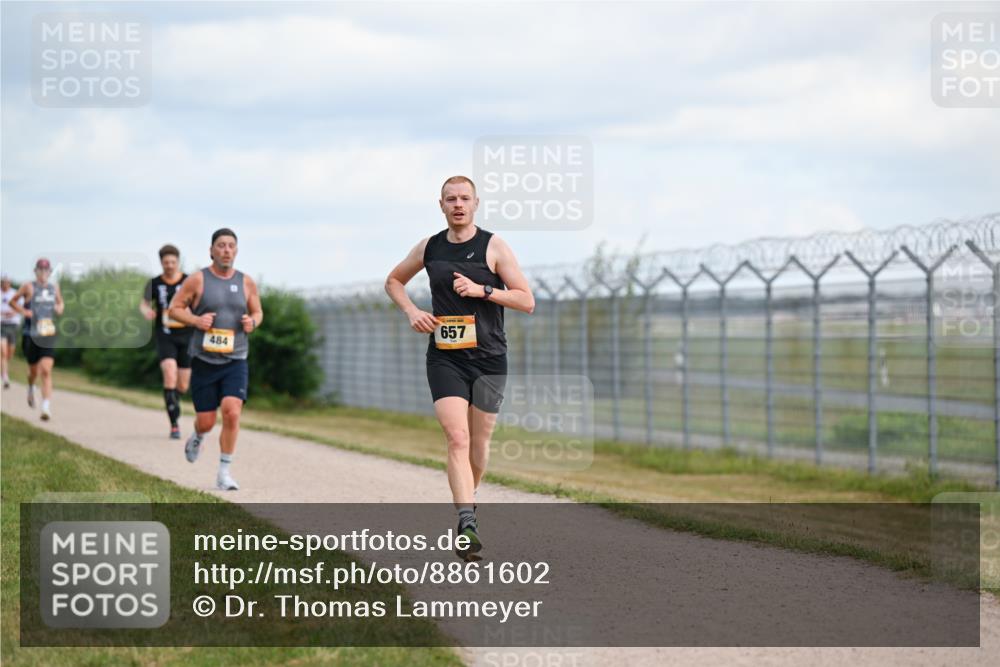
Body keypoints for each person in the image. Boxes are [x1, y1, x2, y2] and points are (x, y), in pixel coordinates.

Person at [385, 175, 534, 560]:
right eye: (450, 199)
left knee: (480, 440)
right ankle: (466, 520)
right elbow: (394, 281)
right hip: (445, 356)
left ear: (475, 203)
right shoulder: (430, 247)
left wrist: (483, 290)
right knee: (457, 438)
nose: (458, 205)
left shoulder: (493, 246)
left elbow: (526, 300)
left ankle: (469, 496)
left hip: (489, 357)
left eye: (464, 198)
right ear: (441, 204)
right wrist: (413, 311)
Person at [168, 229, 263, 491]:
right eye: (221, 245)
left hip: (236, 359)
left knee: (232, 412)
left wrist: (252, 322)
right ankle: (198, 435)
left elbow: (257, 311)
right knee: (207, 421)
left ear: (236, 251)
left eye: (231, 246)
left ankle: (224, 472)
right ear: (211, 250)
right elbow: (174, 309)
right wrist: (196, 320)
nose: (226, 250)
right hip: (204, 359)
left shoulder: (246, 282)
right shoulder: (198, 280)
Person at [140, 245, 193, 439]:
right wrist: (147, 311)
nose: (169, 266)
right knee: (169, 372)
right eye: (166, 262)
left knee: (183, 385)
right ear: (161, 263)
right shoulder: (154, 283)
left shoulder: (189, 281)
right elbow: (144, 304)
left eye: (173, 262)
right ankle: (174, 424)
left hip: (187, 336)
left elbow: (199, 302)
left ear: (178, 262)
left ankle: (173, 401)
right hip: (165, 335)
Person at [10, 258, 64, 420]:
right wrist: (24, 312)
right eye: (40, 269)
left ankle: (46, 407)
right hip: (30, 334)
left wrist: (58, 308)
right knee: (33, 371)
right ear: (36, 271)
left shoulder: (54, 288)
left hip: (47, 333)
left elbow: (61, 305)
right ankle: (31, 386)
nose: (43, 273)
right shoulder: (28, 286)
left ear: (49, 272)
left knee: (46, 370)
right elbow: (13, 301)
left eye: (46, 270)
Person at [1, 274, 21, 389]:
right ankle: (5, 377)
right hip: (1, 324)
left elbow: (21, 308)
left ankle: (3, 370)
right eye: (3, 282)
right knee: (3, 351)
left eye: (7, 282)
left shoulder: (15, 294)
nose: (5, 284)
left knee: (10, 353)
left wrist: (14, 312)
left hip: (13, 325)